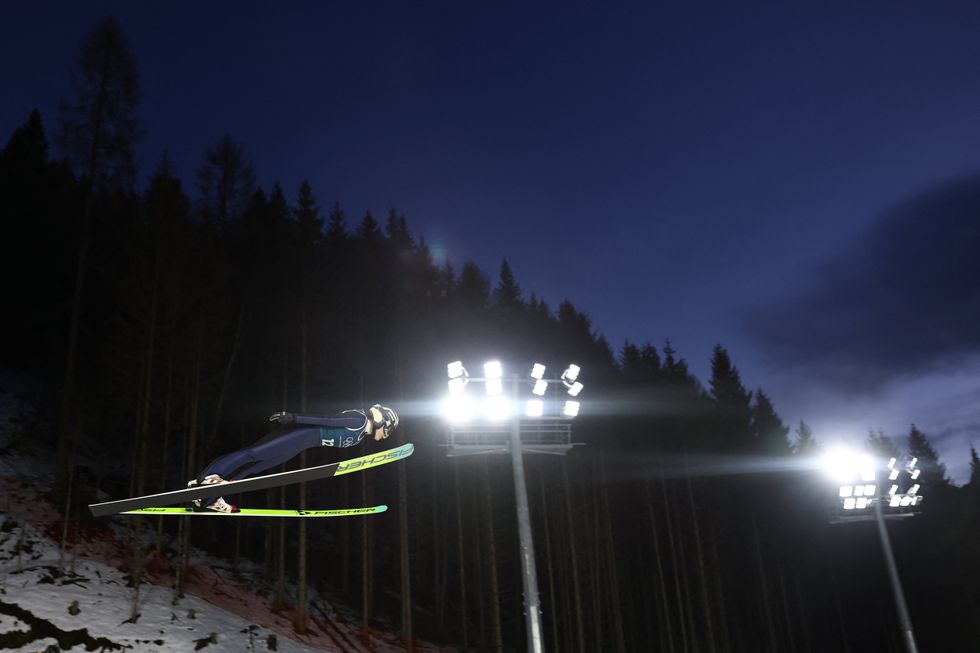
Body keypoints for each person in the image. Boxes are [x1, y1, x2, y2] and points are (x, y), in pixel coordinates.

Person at [188, 404, 399, 513]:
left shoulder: (360, 435)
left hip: (300, 444)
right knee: (253, 454)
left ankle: (209, 497)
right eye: (388, 431)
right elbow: (327, 420)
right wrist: (294, 418)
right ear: (383, 421)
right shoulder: (359, 420)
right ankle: (206, 479)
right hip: (299, 434)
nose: (385, 435)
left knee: (256, 467)